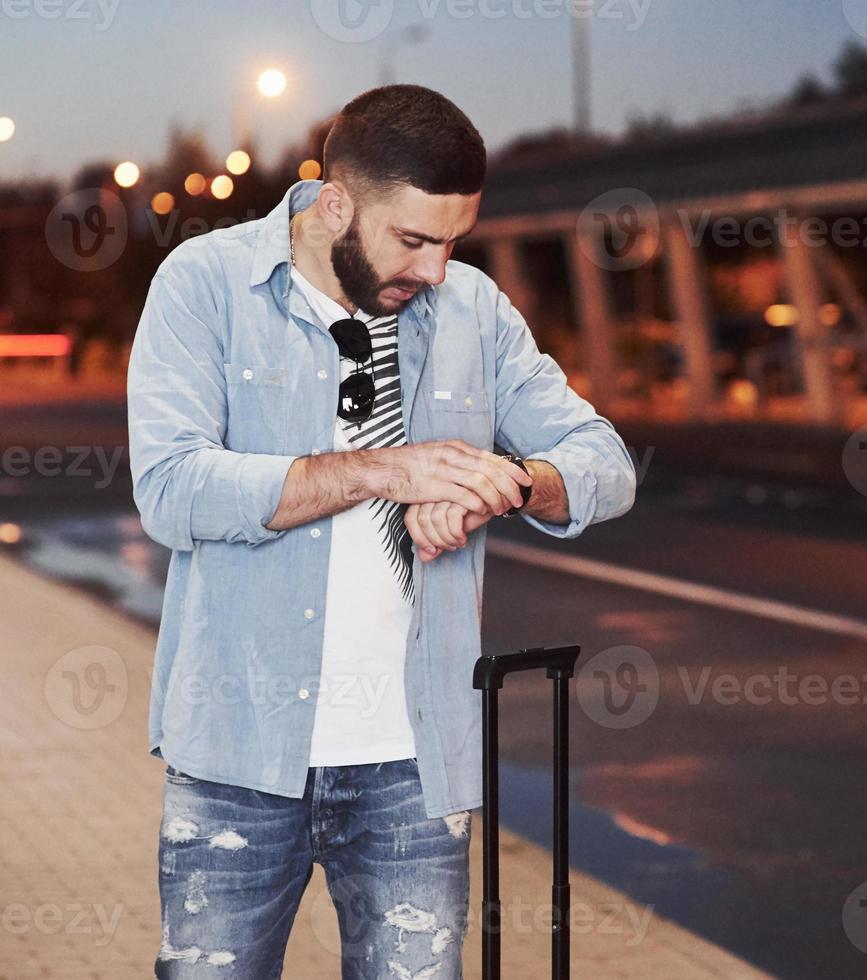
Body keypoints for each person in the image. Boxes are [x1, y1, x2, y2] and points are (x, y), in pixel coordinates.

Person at [127, 84, 637, 979]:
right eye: (414, 241)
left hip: (414, 767)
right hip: (236, 761)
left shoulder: (474, 312)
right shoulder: (206, 285)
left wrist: (504, 484)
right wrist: (383, 468)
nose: (437, 269)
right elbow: (171, 489)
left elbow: (605, 462)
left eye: (453, 242)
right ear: (336, 204)